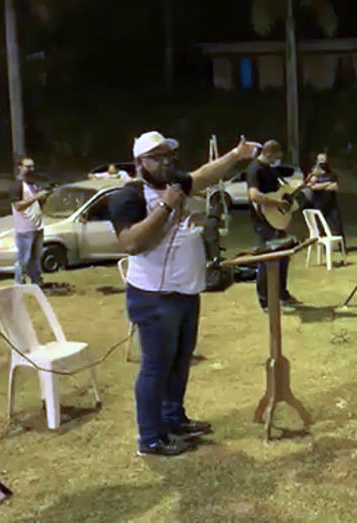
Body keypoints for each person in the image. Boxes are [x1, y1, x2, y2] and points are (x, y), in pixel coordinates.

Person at [109, 130, 259, 457]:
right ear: (140, 162)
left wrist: (235, 155)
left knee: (180, 362)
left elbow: (203, 176)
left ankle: (173, 420)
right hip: (154, 297)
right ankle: (150, 439)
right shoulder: (128, 196)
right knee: (155, 368)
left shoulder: (174, 184)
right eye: (157, 157)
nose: (165, 163)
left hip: (185, 292)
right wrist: (165, 207)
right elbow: (132, 243)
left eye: (168, 156)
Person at [246, 140, 300, 311]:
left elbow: (280, 192)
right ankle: (265, 300)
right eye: (275, 156)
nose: (277, 160)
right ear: (268, 153)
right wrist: (276, 201)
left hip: (277, 220)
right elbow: (254, 195)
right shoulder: (255, 169)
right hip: (263, 220)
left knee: (283, 256)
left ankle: (282, 294)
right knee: (267, 259)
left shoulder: (270, 169)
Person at [12, 157, 49, 285]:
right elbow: (18, 206)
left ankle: (36, 281)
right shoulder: (17, 185)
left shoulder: (33, 184)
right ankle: (19, 283)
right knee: (23, 259)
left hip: (37, 227)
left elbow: (37, 204)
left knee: (36, 259)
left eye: (32, 167)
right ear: (20, 168)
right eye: (27, 166)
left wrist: (43, 198)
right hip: (24, 229)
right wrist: (36, 197)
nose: (30, 169)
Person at [306, 152, 345, 246]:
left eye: (325, 161)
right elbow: (311, 187)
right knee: (320, 227)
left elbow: (335, 187)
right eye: (321, 162)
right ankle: (322, 247)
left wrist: (320, 186)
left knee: (338, 226)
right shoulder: (313, 175)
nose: (323, 164)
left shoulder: (332, 174)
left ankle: (343, 247)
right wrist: (327, 184)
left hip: (332, 205)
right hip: (319, 205)